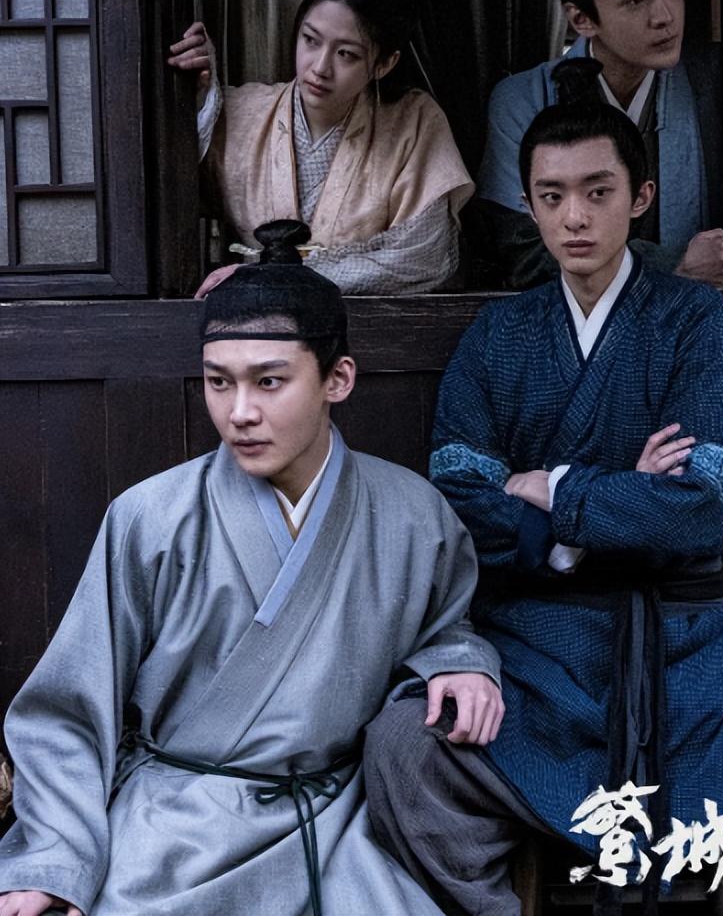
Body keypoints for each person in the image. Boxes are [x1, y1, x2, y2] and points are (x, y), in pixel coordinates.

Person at [364, 61, 723, 915]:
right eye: (551, 197)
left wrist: (554, 487)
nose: (574, 217)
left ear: (641, 197)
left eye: (598, 191)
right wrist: (609, 508)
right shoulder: (498, 337)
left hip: (690, 647)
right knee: (405, 748)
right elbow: (460, 503)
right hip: (533, 648)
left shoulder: (705, 327)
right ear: (528, 204)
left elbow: (702, 509)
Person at [0, 220, 503, 916]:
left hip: (336, 820)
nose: (239, 413)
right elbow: (68, 712)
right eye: (219, 382)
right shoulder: (151, 517)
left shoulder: (414, 514)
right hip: (178, 821)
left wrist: (459, 661)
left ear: (337, 379)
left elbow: (445, 625)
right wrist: (52, 862)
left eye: (269, 382)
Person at [168, 0, 474, 294]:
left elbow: (425, 258)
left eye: (346, 54)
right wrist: (197, 90)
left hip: (368, 319)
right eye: (311, 40)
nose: (320, 68)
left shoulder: (414, 123)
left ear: (385, 63)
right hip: (255, 316)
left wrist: (282, 276)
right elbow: (173, 183)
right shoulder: (242, 113)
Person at [476, 0, 723, 290]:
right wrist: (672, 264)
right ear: (582, 19)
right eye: (634, 0)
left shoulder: (713, 90)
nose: (664, 16)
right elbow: (523, 250)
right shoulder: (523, 100)